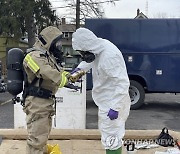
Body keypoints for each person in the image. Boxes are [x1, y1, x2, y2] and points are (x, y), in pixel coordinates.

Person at [71, 28, 131, 154]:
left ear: (88, 48)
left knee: (112, 136)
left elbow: (123, 83)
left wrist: (115, 107)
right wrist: (79, 70)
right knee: (108, 134)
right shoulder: (98, 47)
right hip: (106, 100)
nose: (83, 56)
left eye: (83, 53)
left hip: (114, 101)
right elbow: (90, 60)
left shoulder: (109, 57)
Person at [23, 26, 69, 154]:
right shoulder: (33, 56)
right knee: (36, 142)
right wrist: (61, 79)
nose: (59, 46)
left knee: (42, 139)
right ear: (48, 41)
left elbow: (55, 71)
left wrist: (67, 76)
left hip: (45, 103)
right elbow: (44, 71)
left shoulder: (47, 56)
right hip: (37, 103)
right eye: (56, 42)